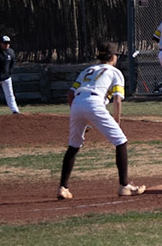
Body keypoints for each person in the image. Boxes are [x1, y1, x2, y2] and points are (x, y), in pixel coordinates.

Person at [58, 43, 144, 200]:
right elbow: (117, 99)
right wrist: (117, 121)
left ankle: (63, 188)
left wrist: (80, 115)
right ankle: (124, 186)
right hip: (94, 102)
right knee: (120, 140)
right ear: (113, 57)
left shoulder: (87, 70)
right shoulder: (115, 72)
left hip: (77, 103)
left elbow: (70, 94)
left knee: (74, 145)